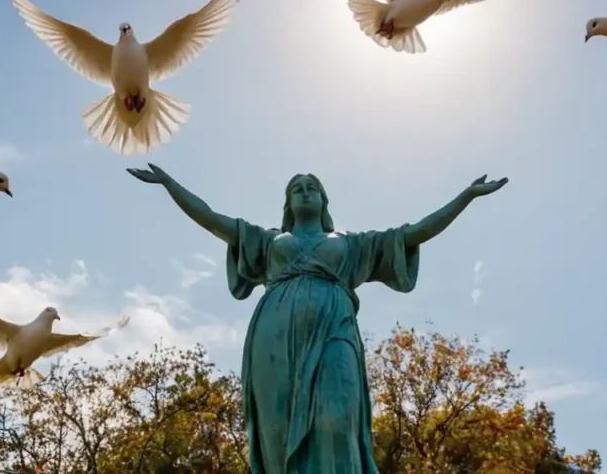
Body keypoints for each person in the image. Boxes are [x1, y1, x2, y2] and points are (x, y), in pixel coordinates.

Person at [127, 164, 508, 473]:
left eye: (313, 186)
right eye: (297, 188)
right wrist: (169, 184)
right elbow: (211, 219)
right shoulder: (268, 239)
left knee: (336, 420)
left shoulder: (352, 243)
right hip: (273, 338)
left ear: (324, 200)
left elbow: (413, 234)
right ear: (289, 203)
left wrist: (465, 198)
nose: (305, 190)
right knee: (275, 430)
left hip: (334, 329)